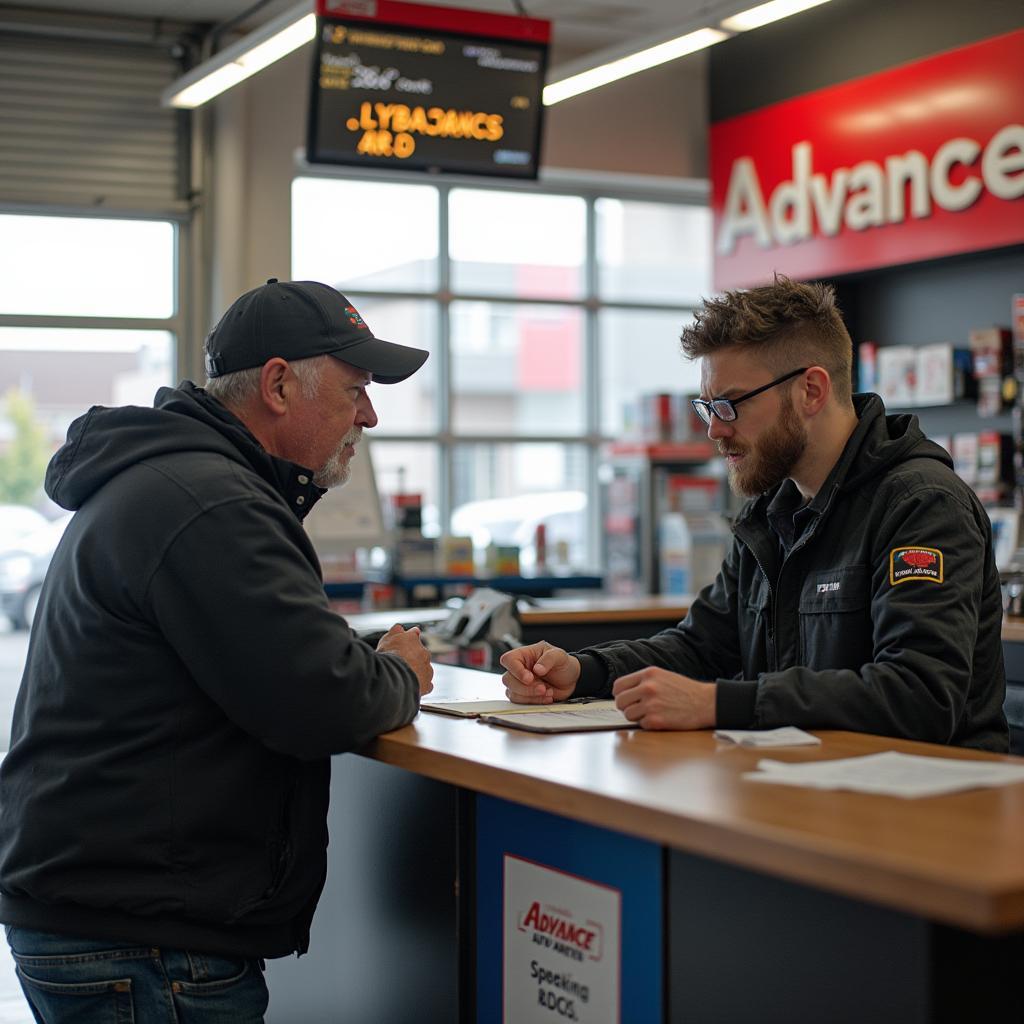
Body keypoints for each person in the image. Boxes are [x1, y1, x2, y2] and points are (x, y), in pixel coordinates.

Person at [0, 279, 434, 1021]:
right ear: (277, 384)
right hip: (144, 941)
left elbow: (274, 653)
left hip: (111, 919)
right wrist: (400, 673)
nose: (368, 413)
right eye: (355, 388)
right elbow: (323, 700)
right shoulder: (213, 503)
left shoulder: (178, 481)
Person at [502, 275, 1008, 752]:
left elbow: (919, 695)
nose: (715, 431)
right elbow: (703, 647)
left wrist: (720, 703)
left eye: (731, 405)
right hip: (810, 794)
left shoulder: (920, 504)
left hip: (929, 814)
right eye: (707, 408)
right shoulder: (771, 514)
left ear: (811, 390)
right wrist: (584, 672)